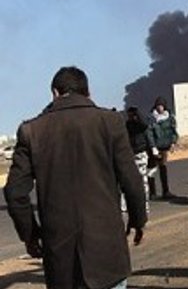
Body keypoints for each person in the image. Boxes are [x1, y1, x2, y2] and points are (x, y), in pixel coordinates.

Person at [4, 66, 146, 289]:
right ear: (88, 92)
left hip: (61, 260)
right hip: (106, 255)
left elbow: (14, 192)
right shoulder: (110, 122)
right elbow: (132, 181)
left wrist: (31, 235)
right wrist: (138, 220)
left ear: (55, 93)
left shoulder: (31, 131)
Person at [147, 95, 178, 200]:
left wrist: (173, 143)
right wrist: (153, 147)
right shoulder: (151, 118)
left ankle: (166, 191)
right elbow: (149, 133)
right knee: (152, 170)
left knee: (163, 168)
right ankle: (152, 193)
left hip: (164, 147)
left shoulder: (169, 117)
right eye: (158, 106)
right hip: (155, 148)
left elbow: (173, 132)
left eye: (161, 105)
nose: (160, 108)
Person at [124, 106, 154, 213]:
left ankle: (145, 205)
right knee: (130, 181)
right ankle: (130, 205)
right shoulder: (127, 126)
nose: (131, 117)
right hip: (131, 154)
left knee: (142, 181)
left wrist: (153, 149)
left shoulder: (142, 125)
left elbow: (148, 136)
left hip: (141, 154)